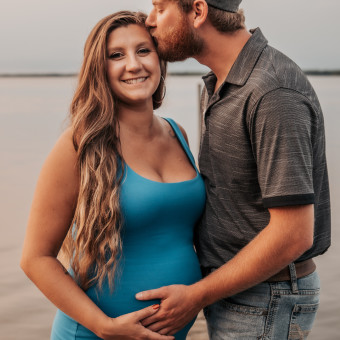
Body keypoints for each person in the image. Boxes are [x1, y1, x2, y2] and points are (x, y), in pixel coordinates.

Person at [135, 1, 331, 339]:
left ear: (197, 12)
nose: (149, 20)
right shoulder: (225, 82)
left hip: (266, 299)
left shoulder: (271, 92)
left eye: (160, 7)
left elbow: (293, 234)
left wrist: (196, 295)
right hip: (239, 292)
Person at [20, 10, 206, 340]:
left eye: (143, 50)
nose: (133, 65)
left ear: (160, 59)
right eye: (116, 55)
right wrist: (105, 327)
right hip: (94, 334)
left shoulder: (178, 134)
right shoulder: (81, 143)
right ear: (100, 69)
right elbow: (35, 259)